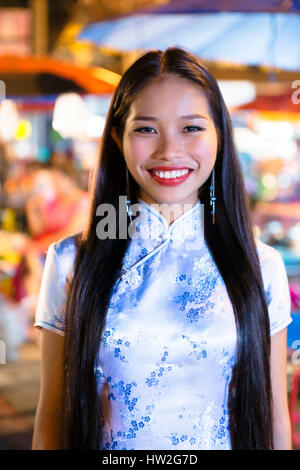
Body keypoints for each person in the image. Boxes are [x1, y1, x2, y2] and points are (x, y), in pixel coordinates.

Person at [31, 47, 292, 450]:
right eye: (147, 129)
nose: (169, 150)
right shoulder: (71, 262)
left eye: (191, 128)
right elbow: (51, 419)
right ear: (118, 137)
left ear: (220, 134)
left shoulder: (261, 267)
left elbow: (273, 421)